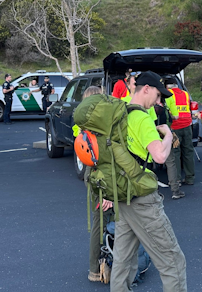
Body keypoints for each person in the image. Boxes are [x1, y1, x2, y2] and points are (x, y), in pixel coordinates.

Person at [111, 71, 187, 291]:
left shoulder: (120, 111)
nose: (158, 101)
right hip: (142, 198)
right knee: (173, 261)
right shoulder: (142, 117)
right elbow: (160, 156)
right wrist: (169, 135)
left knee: (123, 261)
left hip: (123, 193)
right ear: (145, 89)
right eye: (157, 95)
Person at [79, 86, 113, 283]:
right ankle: (95, 268)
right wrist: (106, 193)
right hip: (100, 178)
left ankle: (102, 262)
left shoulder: (85, 125)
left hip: (93, 176)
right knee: (100, 223)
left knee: (101, 221)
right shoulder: (97, 128)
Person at [165, 77, 196, 186]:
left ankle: (176, 179)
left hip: (175, 127)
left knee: (175, 153)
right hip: (187, 126)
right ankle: (190, 178)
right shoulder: (185, 94)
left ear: (167, 86)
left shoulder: (167, 94)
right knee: (188, 151)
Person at [155, 93, 184, 200]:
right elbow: (174, 118)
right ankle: (175, 190)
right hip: (164, 136)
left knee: (147, 164)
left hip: (150, 136)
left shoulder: (146, 106)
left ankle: (151, 192)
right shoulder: (165, 107)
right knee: (170, 162)